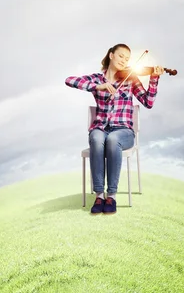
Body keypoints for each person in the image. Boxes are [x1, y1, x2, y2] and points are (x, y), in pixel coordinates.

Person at [65, 43, 164, 215]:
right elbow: (69, 80)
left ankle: (111, 195)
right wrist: (97, 87)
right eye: (121, 56)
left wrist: (154, 78)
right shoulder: (97, 78)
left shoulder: (131, 79)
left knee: (112, 140)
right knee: (97, 138)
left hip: (123, 131)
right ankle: (99, 195)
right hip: (101, 127)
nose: (124, 61)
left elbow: (148, 102)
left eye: (127, 59)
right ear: (111, 55)